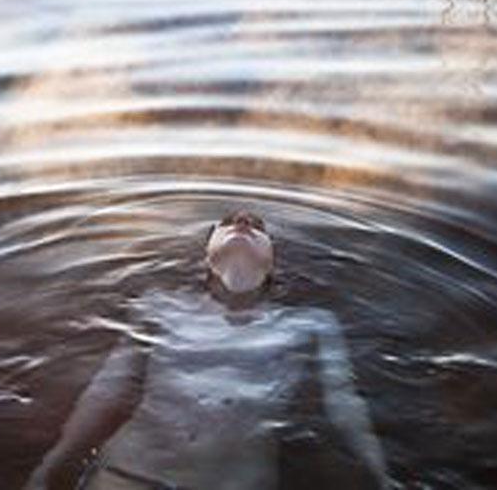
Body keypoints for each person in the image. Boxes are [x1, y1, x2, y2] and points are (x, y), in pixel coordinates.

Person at [26, 210, 388, 490]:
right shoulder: (158, 306)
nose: (243, 221)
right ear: (206, 255)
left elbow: (344, 402)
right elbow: (107, 387)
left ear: (273, 260)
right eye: (227, 222)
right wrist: (54, 460)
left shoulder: (310, 323)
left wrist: (380, 474)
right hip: (131, 472)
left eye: (257, 226)